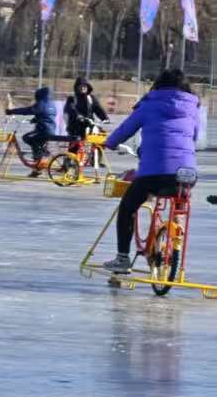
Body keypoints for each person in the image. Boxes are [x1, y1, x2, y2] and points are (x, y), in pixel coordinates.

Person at [102, 69, 201, 274]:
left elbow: (125, 129)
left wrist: (109, 143)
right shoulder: (193, 108)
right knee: (180, 201)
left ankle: (122, 258)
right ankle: (175, 241)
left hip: (154, 173)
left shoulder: (148, 104)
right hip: (186, 173)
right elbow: (194, 137)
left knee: (128, 207)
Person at [6, 86, 58, 173]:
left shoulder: (41, 104)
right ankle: (37, 168)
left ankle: (40, 156)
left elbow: (27, 110)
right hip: (51, 130)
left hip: (43, 130)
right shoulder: (52, 104)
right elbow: (47, 115)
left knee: (27, 137)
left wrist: (11, 111)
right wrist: (36, 119)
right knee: (37, 144)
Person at [64, 77, 109, 144]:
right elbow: (70, 109)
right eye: (81, 86)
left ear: (88, 87)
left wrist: (105, 118)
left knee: (99, 140)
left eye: (84, 86)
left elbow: (98, 109)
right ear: (77, 87)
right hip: (75, 127)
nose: (83, 88)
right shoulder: (72, 99)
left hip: (89, 125)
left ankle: (96, 153)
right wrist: (78, 116)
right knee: (75, 147)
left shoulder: (91, 98)